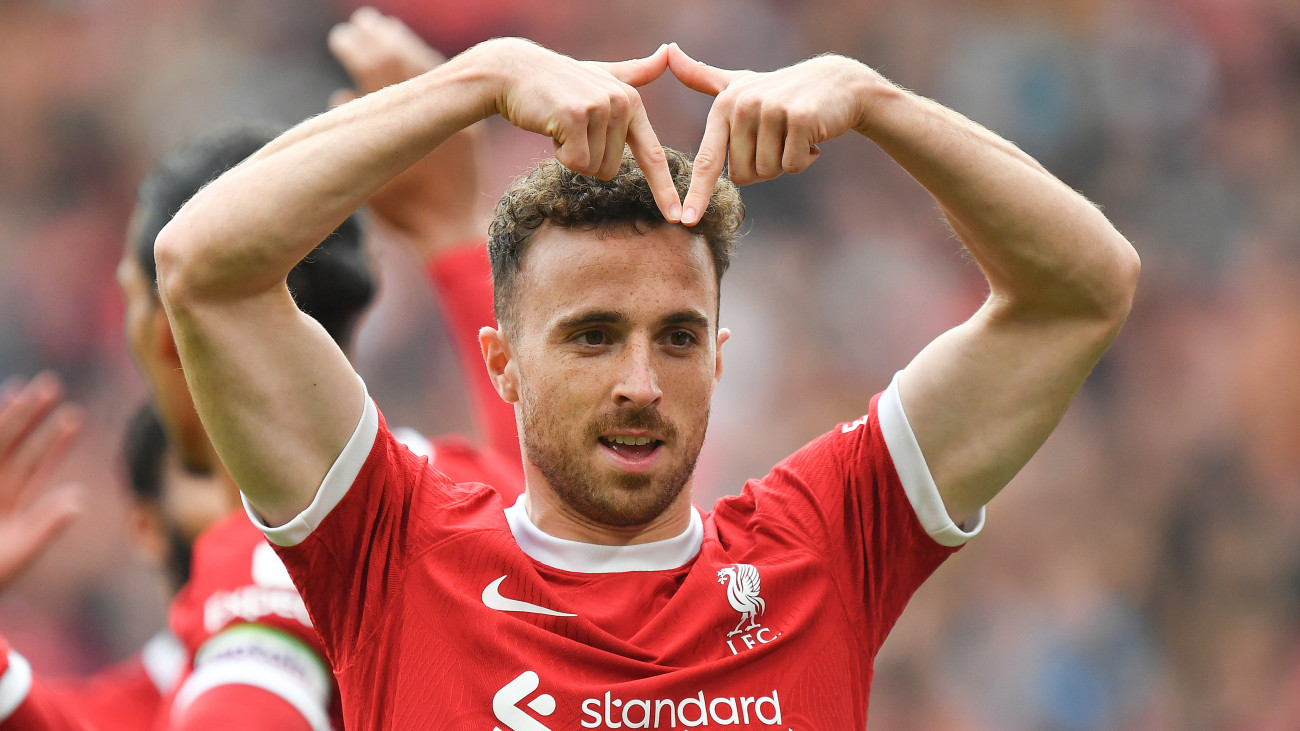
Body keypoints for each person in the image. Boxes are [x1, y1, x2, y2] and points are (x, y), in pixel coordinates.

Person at [153, 7, 1140, 728]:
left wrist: (873, 101)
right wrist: (477, 80)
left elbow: (1084, 286)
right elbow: (203, 268)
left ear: (717, 357)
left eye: (674, 336)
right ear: (501, 362)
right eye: (589, 335)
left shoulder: (820, 548)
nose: (639, 379)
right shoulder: (394, 552)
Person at [1, 12, 523, 730]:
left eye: (131, 296)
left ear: (169, 337)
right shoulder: (484, 496)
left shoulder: (276, 559)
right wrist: (457, 236)